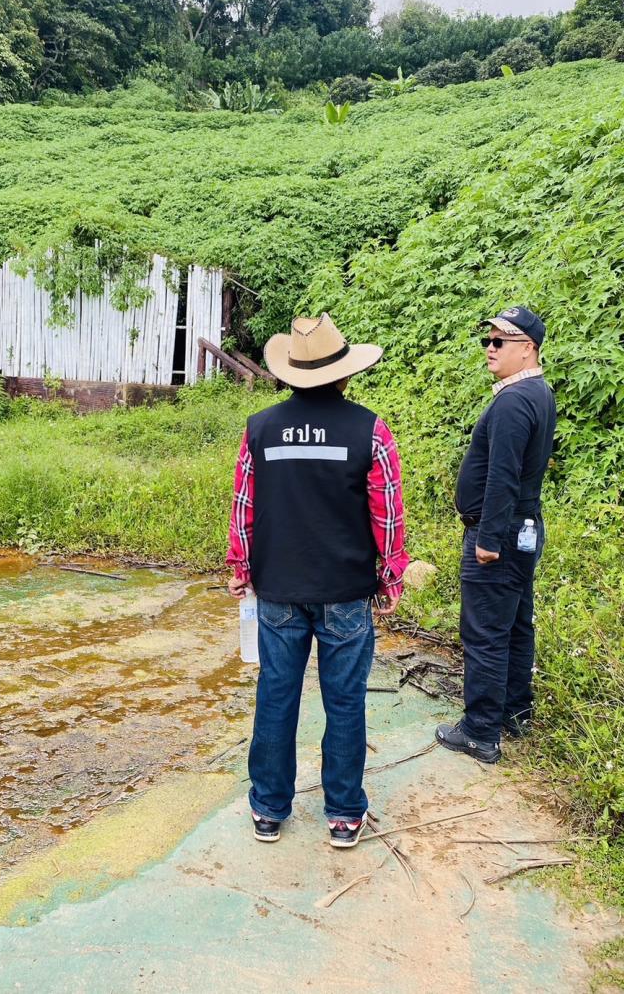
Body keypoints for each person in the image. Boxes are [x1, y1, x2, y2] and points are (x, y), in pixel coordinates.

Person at [227, 313, 409, 848]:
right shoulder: (369, 430)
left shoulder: (260, 429)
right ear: (344, 373)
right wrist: (391, 575)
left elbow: (244, 506)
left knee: (276, 695)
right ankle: (345, 814)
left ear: (291, 373)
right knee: (345, 700)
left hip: (278, 590)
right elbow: (386, 512)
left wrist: (241, 567)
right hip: (345, 591)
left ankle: (268, 809)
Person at [436, 306, 556, 764]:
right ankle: (514, 711)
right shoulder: (537, 391)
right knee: (516, 622)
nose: (490, 348)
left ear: (527, 349)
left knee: (485, 631)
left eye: (500, 341)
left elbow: (503, 476)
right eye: (488, 340)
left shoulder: (512, 402)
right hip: (524, 527)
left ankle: (480, 732)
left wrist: (488, 539)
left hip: (500, 534)